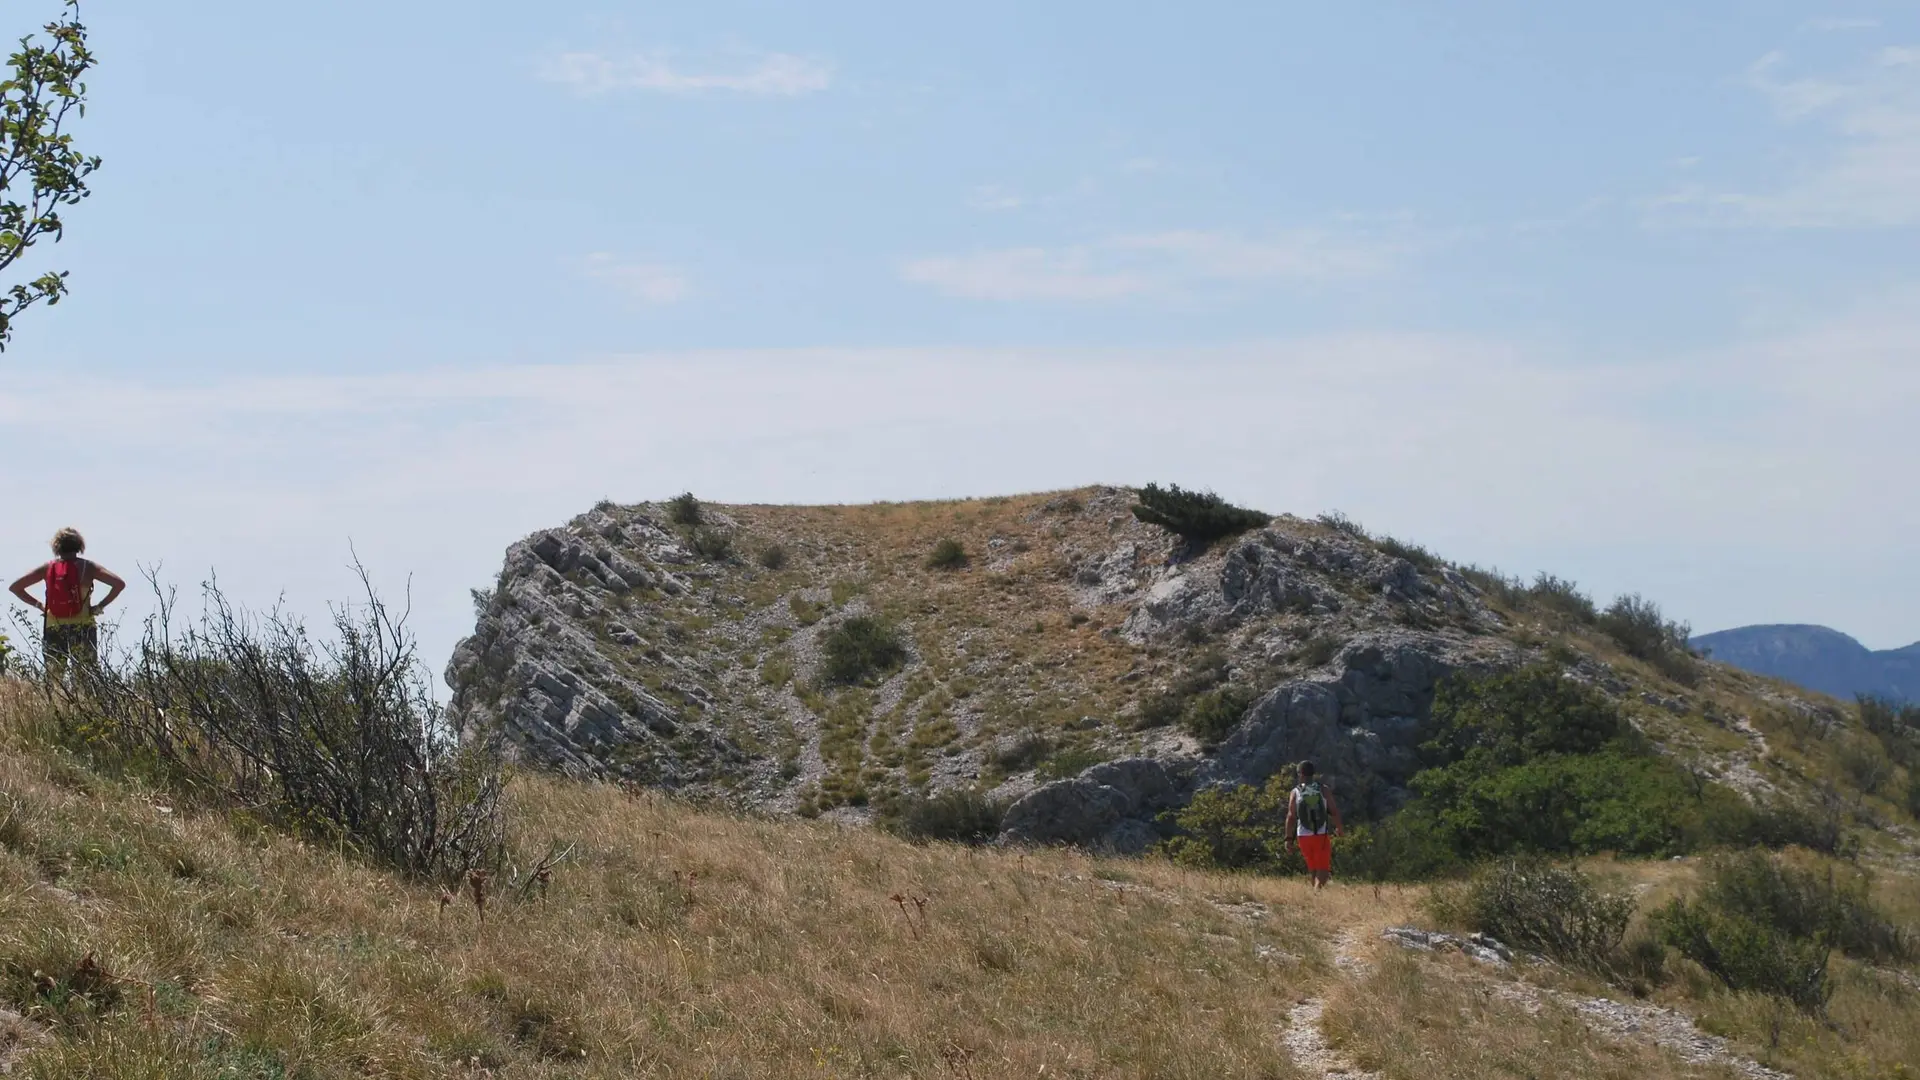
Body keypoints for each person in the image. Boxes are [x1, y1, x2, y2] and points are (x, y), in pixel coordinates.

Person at [9, 527, 125, 682]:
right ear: (79, 545)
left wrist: (40, 605)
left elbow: (15, 587)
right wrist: (99, 607)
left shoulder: (48, 568)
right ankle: (85, 705)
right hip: (83, 625)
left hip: (54, 625)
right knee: (86, 676)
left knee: (54, 677)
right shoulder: (88, 567)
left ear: (56, 546)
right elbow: (119, 584)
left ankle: (55, 706)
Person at [1283, 760, 1344, 890]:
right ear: (1313, 774)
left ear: (1300, 774)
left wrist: (1288, 838)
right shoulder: (1323, 789)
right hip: (1320, 835)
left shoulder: (1296, 792)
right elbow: (1333, 811)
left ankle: (1314, 894)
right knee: (1323, 870)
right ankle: (1316, 895)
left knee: (1313, 868)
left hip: (1303, 835)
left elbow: (1291, 816)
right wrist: (1339, 827)